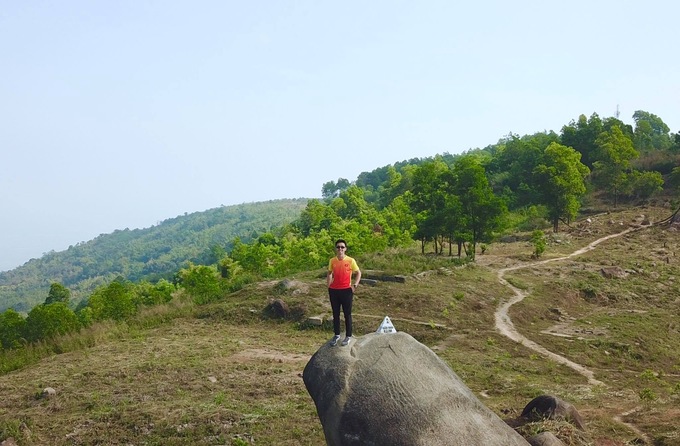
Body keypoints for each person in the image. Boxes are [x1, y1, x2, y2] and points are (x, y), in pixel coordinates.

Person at [327, 239, 362, 346]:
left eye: (342, 247)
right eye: (338, 247)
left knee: (347, 314)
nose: (340, 249)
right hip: (334, 290)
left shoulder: (351, 260)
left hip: (346, 290)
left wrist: (355, 285)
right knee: (335, 314)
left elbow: (358, 273)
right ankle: (336, 335)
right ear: (335, 249)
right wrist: (328, 285)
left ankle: (348, 336)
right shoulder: (332, 261)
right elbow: (329, 273)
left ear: (345, 249)